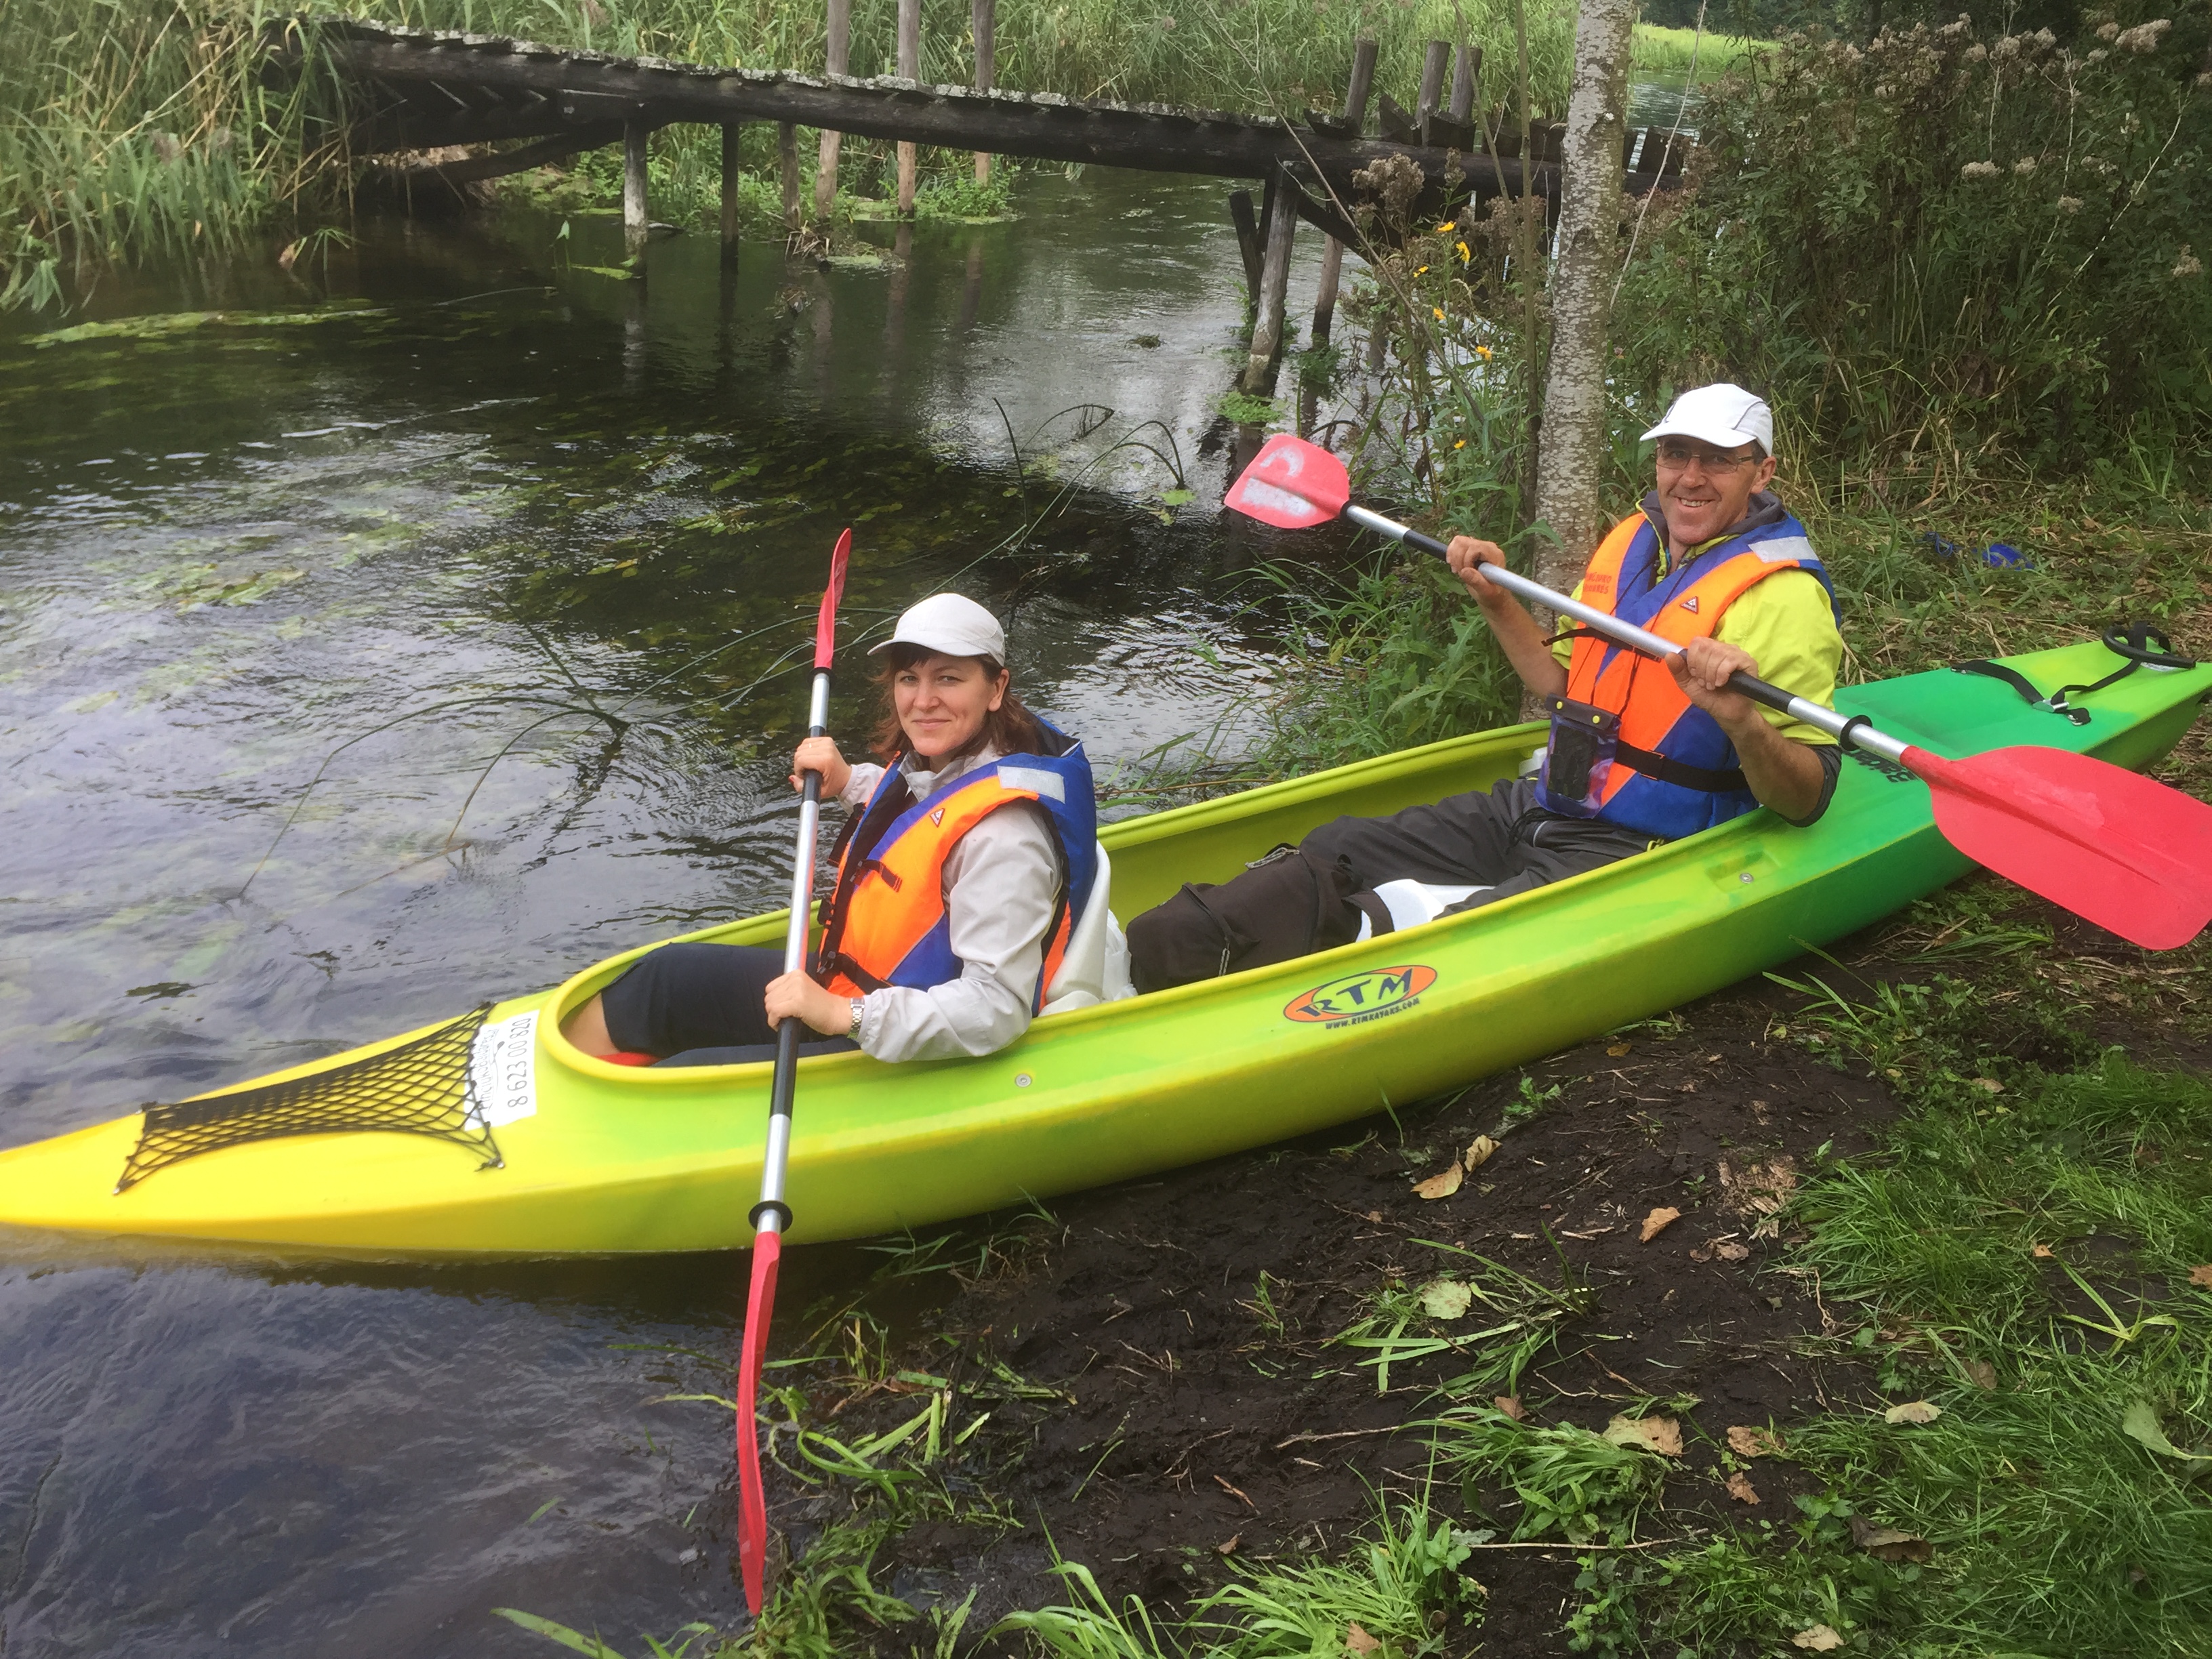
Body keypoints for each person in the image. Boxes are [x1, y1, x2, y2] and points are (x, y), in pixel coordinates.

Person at [1128, 382, 1845, 987]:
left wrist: (1742, 720)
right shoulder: (1636, 539)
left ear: (1762, 472)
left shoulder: (1782, 598)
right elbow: (1563, 688)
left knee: (1451, 947)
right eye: (1675, 454)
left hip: (1637, 845)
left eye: (1718, 460)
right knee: (1338, 842)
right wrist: (1495, 600)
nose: (1690, 476)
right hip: (1544, 803)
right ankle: (1189, 946)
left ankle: (1314, 981)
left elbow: (1807, 796)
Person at [563, 593, 1097, 1066]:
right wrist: (847, 781)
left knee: (678, 1082)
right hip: (855, 985)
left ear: (996, 687)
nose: (922, 700)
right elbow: (919, 819)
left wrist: (845, 1014)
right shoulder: (953, 761)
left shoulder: (1005, 839)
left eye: (949, 678)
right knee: (665, 978)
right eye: (909, 678)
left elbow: (996, 1006)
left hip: (905, 1036)